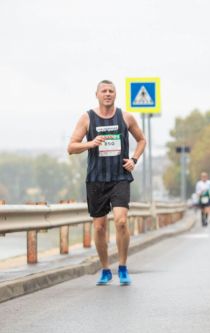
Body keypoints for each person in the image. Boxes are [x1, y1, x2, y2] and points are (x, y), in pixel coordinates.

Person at [67, 80, 146, 286]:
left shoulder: (125, 117)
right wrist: (90, 144)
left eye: (111, 91)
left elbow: (141, 140)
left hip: (120, 177)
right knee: (100, 227)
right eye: (104, 91)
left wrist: (134, 160)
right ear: (97, 94)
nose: (108, 94)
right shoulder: (87, 118)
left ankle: (122, 267)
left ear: (116, 95)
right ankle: (104, 269)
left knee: (121, 221)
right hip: (96, 179)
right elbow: (71, 147)